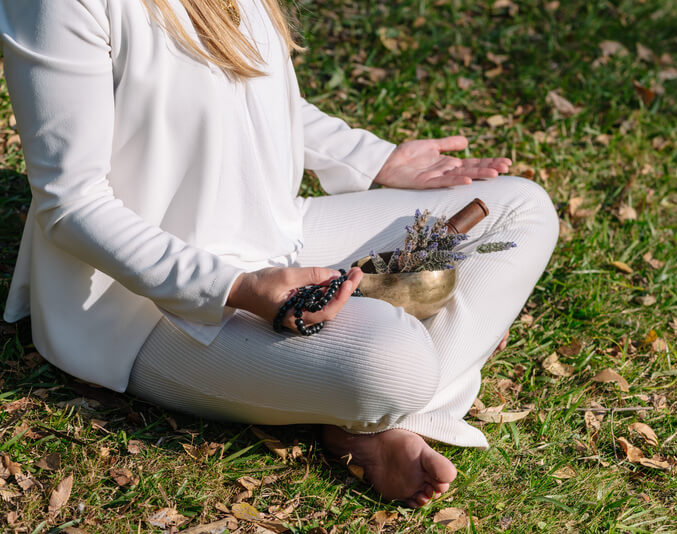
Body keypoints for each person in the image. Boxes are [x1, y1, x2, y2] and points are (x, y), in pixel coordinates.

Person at [0, 0, 558, 507]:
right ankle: (418, 376)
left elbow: (252, 89)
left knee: (519, 207)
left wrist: (377, 160)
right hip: (141, 307)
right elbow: (72, 205)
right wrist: (237, 289)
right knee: (397, 362)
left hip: (280, 232)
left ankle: (373, 420)